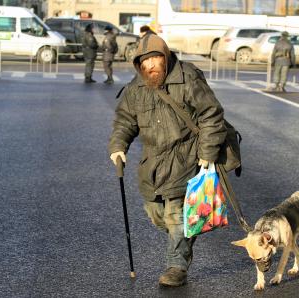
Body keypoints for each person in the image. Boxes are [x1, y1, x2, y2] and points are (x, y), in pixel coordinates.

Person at [108, 34, 227, 287]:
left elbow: (211, 114)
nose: (151, 65)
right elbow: (125, 120)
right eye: (145, 61)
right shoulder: (136, 88)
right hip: (152, 163)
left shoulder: (188, 78)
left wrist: (207, 153)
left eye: (155, 58)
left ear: (166, 57)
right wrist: (118, 146)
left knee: (175, 215)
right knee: (156, 214)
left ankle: (176, 267)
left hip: (186, 156)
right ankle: (184, 234)